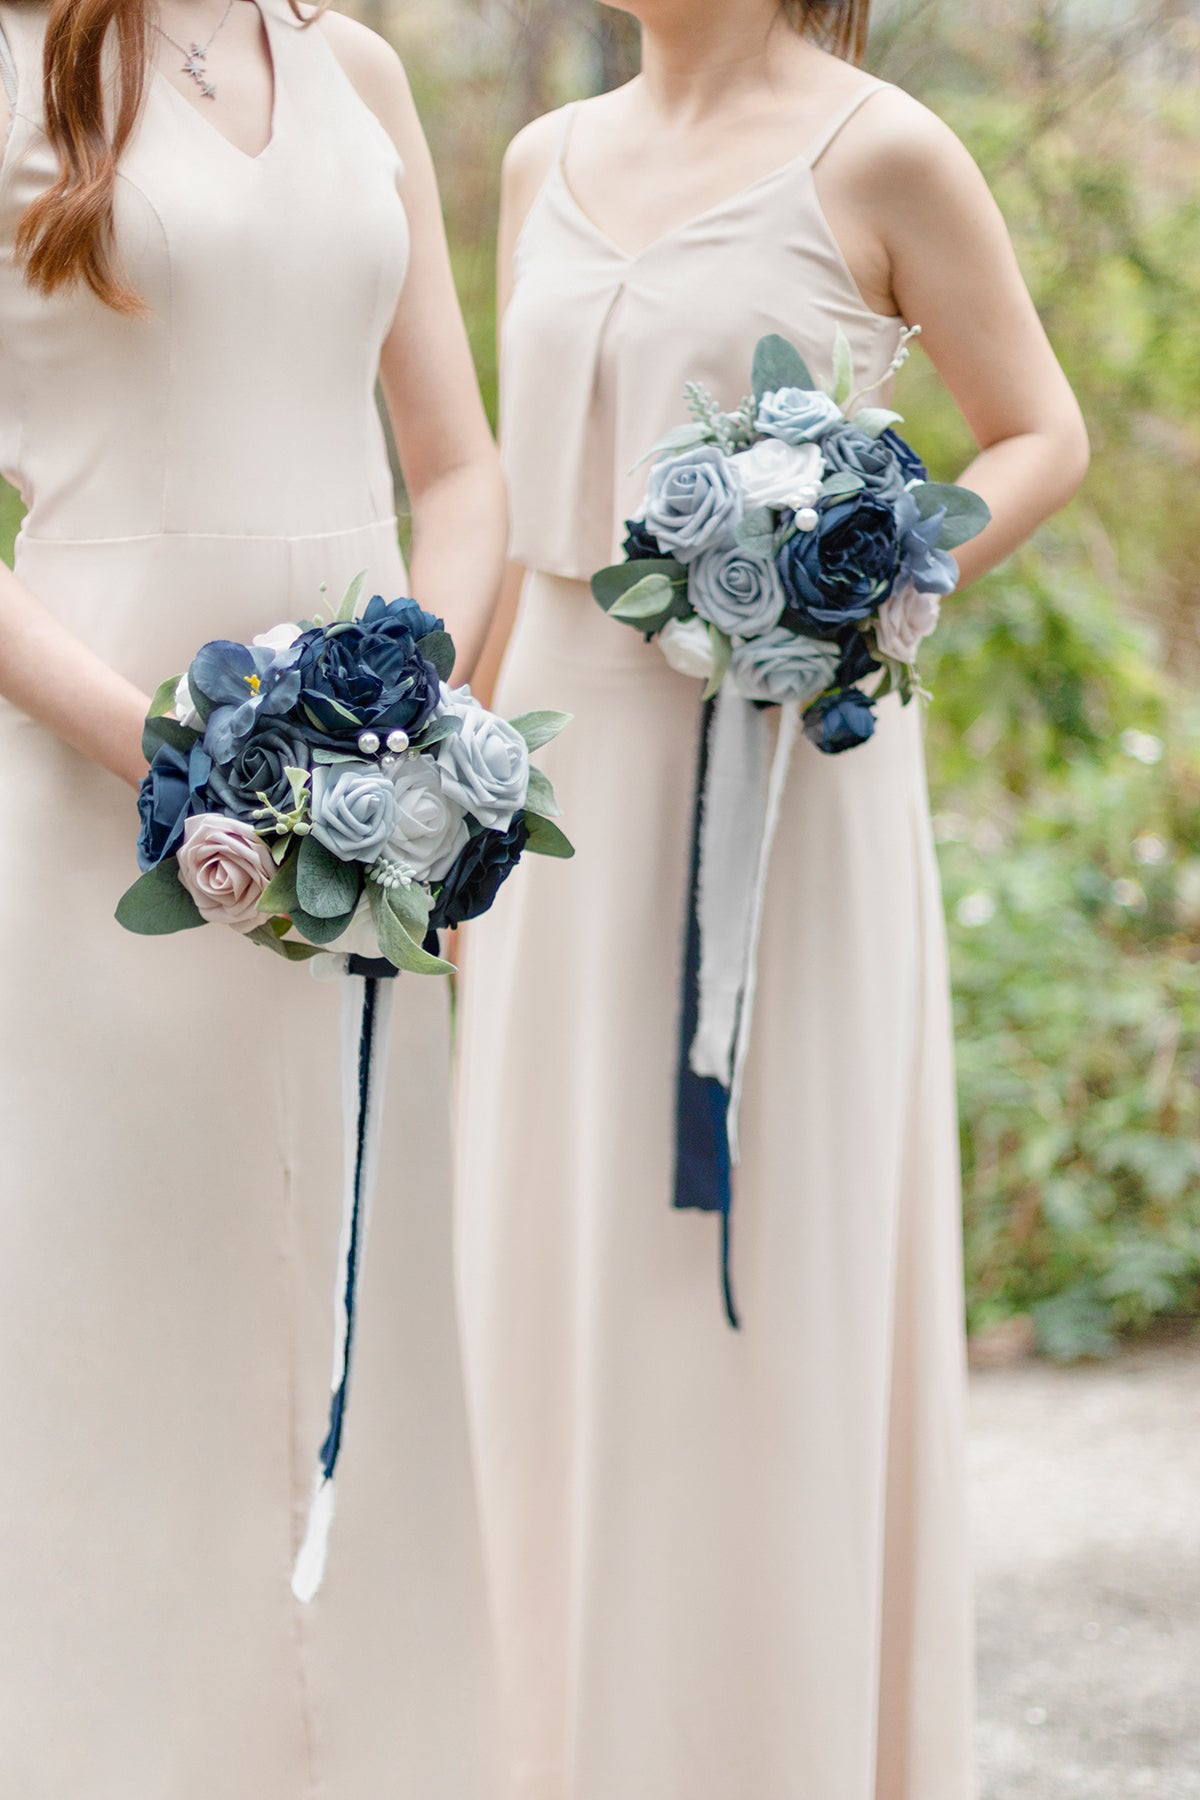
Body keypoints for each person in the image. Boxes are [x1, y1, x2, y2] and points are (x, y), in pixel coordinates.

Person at [454, 1, 1089, 1795]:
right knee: (560, 1294)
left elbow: (1038, 431)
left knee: (762, 1300)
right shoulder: (538, 163)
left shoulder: (878, 147)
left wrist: (867, 573)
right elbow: (518, 516)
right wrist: (449, 795)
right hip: (569, 810)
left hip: (789, 794)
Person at [0, 0, 505, 1791]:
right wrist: (167, 752)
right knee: (120, 1319)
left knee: (365, 1290)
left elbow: (455, 469)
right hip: (97, 795)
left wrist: (415, 737)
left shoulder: (355, 66)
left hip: (366, 806)